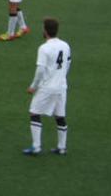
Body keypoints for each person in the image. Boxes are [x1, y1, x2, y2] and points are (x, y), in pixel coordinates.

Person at [24, 17, 71, 156]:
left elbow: (40, 70)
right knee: (60, 116)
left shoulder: (44, 48)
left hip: (47, 87)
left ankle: (36, 146)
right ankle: (62, 147)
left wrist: (33, 86)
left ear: (45, 30)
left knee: (34, 112)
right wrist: (61, 77)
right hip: (62, 86)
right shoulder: (65, 45)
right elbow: (68, 63)